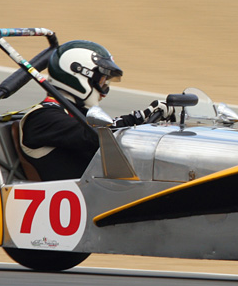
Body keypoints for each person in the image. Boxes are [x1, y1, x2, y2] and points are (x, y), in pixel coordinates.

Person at [18, 39, 172, 181]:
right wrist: (137, 118)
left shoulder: (76, 112)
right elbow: (95, 136)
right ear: (80, 75)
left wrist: (142, 121)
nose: (104, 91)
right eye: (102, 81)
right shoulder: (42, 117)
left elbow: (104, 129)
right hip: (81, 202)